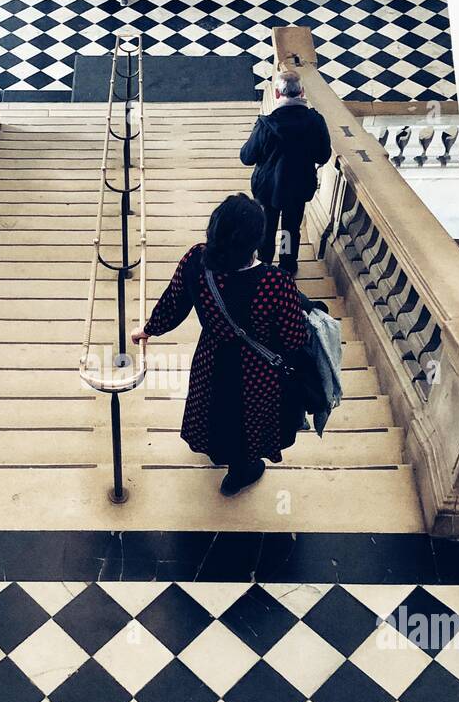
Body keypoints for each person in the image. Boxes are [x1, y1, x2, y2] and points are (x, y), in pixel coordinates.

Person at [132, 194, 309, 496]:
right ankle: (240, 472)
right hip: (258, 372)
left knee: (214, 408)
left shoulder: (196, 261)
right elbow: (294, 339)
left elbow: (174, 304)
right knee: (248, 418)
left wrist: (148, 330)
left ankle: (218, 451)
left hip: (212, 358)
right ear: (256, 241)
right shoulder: (276, 282)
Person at [239, 71, 332, 274]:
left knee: (267, 227)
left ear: (278, 94)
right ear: (302, 92)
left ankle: (263, 263)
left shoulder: (265, 125)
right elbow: (323, 156)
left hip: (267, 188)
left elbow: (247, 157)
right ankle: (287, 266)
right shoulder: (316, 121)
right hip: (298, 188)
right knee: (290, 229)